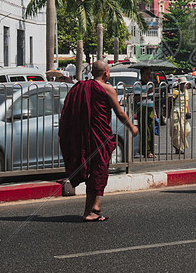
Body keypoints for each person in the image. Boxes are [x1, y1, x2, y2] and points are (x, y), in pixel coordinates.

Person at [59, 60, 138, 222]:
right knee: (98, 170)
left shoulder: (81, 87)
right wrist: (132, 127)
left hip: (86, 135)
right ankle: (90, 211)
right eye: (108, 71)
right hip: (98, 137)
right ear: (106, 73)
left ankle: (95, 207)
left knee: (96, 171)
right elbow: (120, 113)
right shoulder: (107, 89)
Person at [134, 68, 156, 158]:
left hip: (150, 108)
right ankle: (145, 151)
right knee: (144, 130)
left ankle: (151, 150)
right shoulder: (138, 85)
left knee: (151, 130)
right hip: (142, 108)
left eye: (150, 74)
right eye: (147, 74)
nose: (149, 76)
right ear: (142, 75)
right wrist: (147, 93)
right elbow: (137, 99)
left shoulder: (150, 85)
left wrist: (154, 111)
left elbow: (152, 99)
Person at [169, 77, 192, 154]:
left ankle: (177, 144)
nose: (185, 85)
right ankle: (177, 148)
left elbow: (186, 103)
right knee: (177, 130)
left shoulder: (186, 92)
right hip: (176, 112)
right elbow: (170, 101)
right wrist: (168, 112)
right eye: (183, 84)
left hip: (183, 113)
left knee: (187, 129)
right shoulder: (175, 92)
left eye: (185, 84)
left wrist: (188, 111)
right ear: (180, 85)